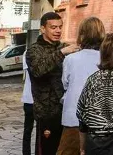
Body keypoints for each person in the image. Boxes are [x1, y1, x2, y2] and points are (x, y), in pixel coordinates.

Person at [26, 12, 80, 155]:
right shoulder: (34, 50)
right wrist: (62, 53)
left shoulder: (64, 47)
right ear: (43, 29)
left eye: (60, 27)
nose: (58, 31)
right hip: (46, 114)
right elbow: (38, 70)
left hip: (66, 111)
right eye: (53, 27)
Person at [58, 17, 106, 155]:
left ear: (81, 34)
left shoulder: (71, 59)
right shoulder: (106, 59)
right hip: (99, 117)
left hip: (73, 116)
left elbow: (65, 83)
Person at [21, 51, 35, 155]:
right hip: (30, 98)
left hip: (31, 98)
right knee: (28, 130)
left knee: (42, 131)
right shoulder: (28, 52)